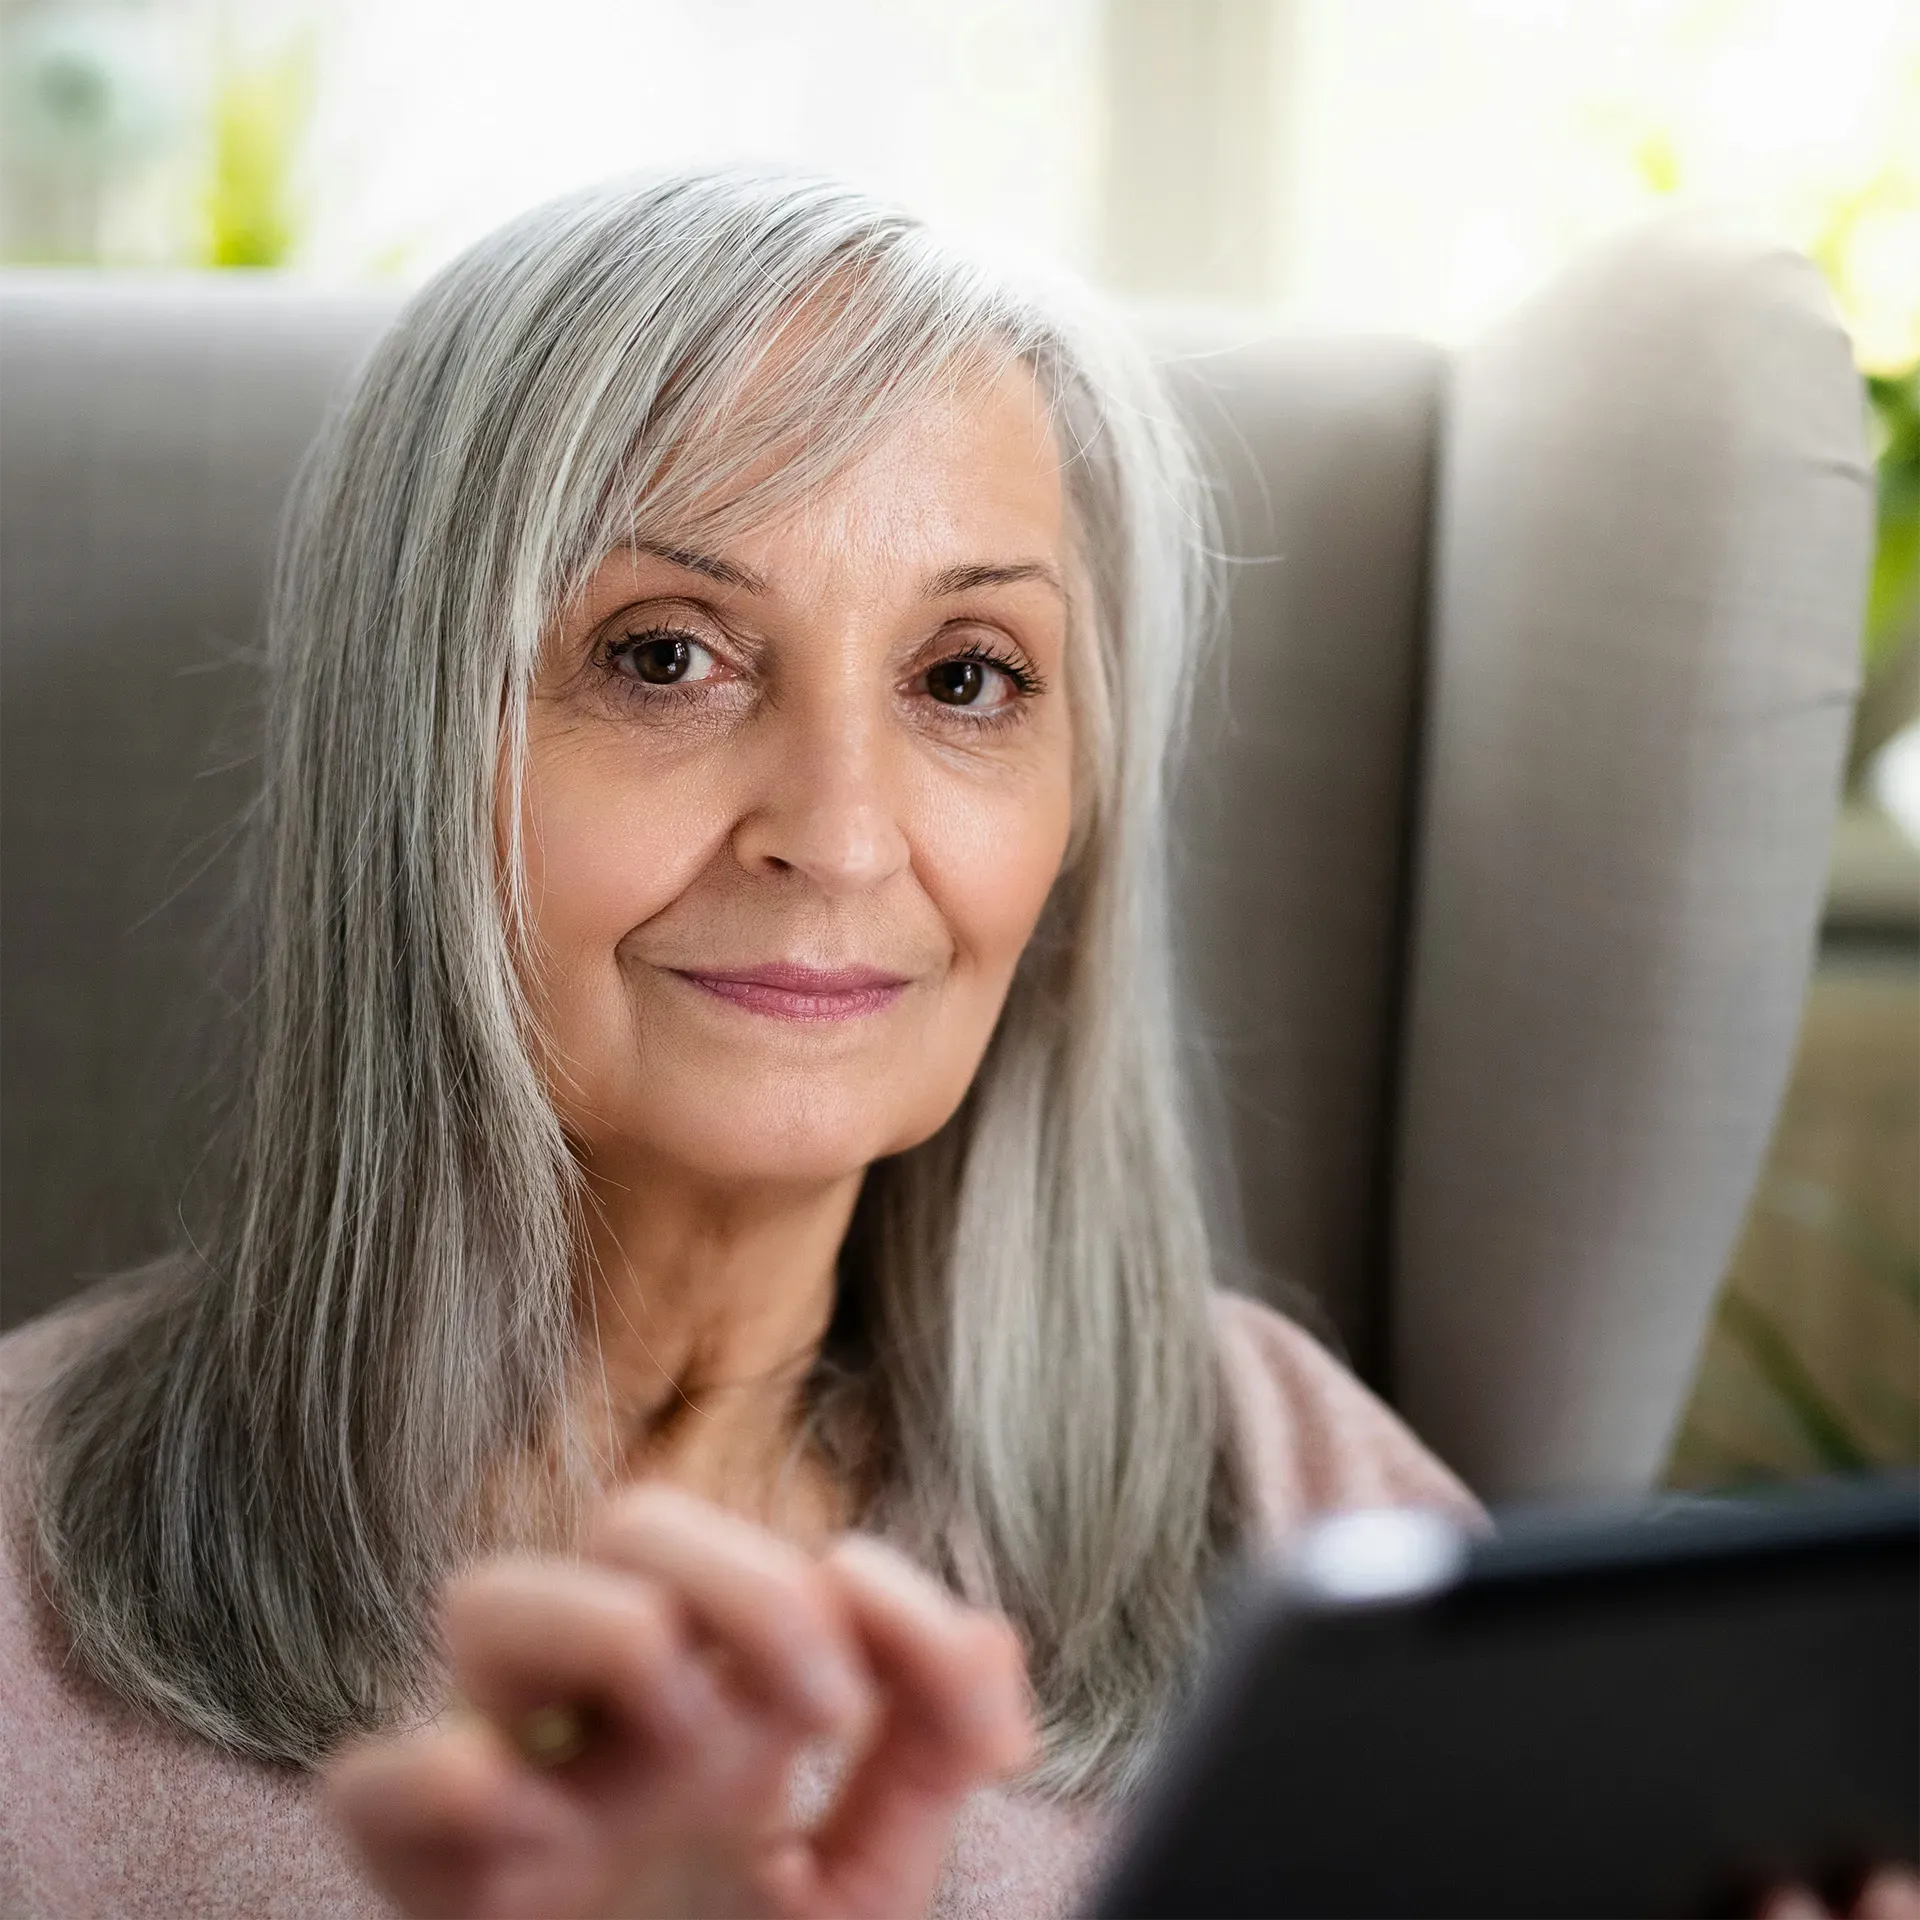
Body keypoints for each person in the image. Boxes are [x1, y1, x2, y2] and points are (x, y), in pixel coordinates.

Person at [0, 168, 1908, 1920]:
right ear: (403, 758)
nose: (839, 834)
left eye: (967, 678)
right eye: (665, 655)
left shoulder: (1280, 1479)